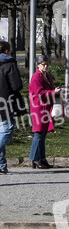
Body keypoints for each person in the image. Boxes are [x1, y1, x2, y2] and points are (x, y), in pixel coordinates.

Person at [29, 55, 60, 169]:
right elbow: (40, 94)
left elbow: (49, 90)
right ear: (38, 65)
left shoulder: (47, 76)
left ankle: (42, 158)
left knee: (43, 134)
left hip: (46, 107)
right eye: (43, 64)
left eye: (47, 64)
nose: (46, 66)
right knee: (38, 133)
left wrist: (56, 91)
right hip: (38, 108)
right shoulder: (36, 77)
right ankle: (35, 158)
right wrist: (53, 92)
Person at [0, 41, 24, 175]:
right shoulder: (9, 64)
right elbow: (16, 85)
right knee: (7, 131)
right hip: (6, 102)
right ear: (7, 50)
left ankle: (1, 165)